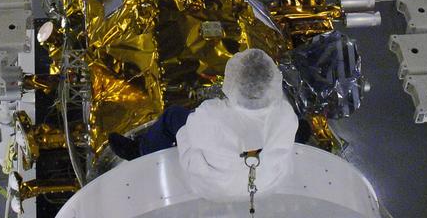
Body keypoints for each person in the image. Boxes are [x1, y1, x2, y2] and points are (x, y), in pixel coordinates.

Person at [108, 49, 298, 202]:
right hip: (266, 184)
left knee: (173, 117)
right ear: (273, 82)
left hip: (215, 188)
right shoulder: (288, 116)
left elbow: (192, 133)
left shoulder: (211, 115)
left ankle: (139, 151)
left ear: (233, 82)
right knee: (295, 130)